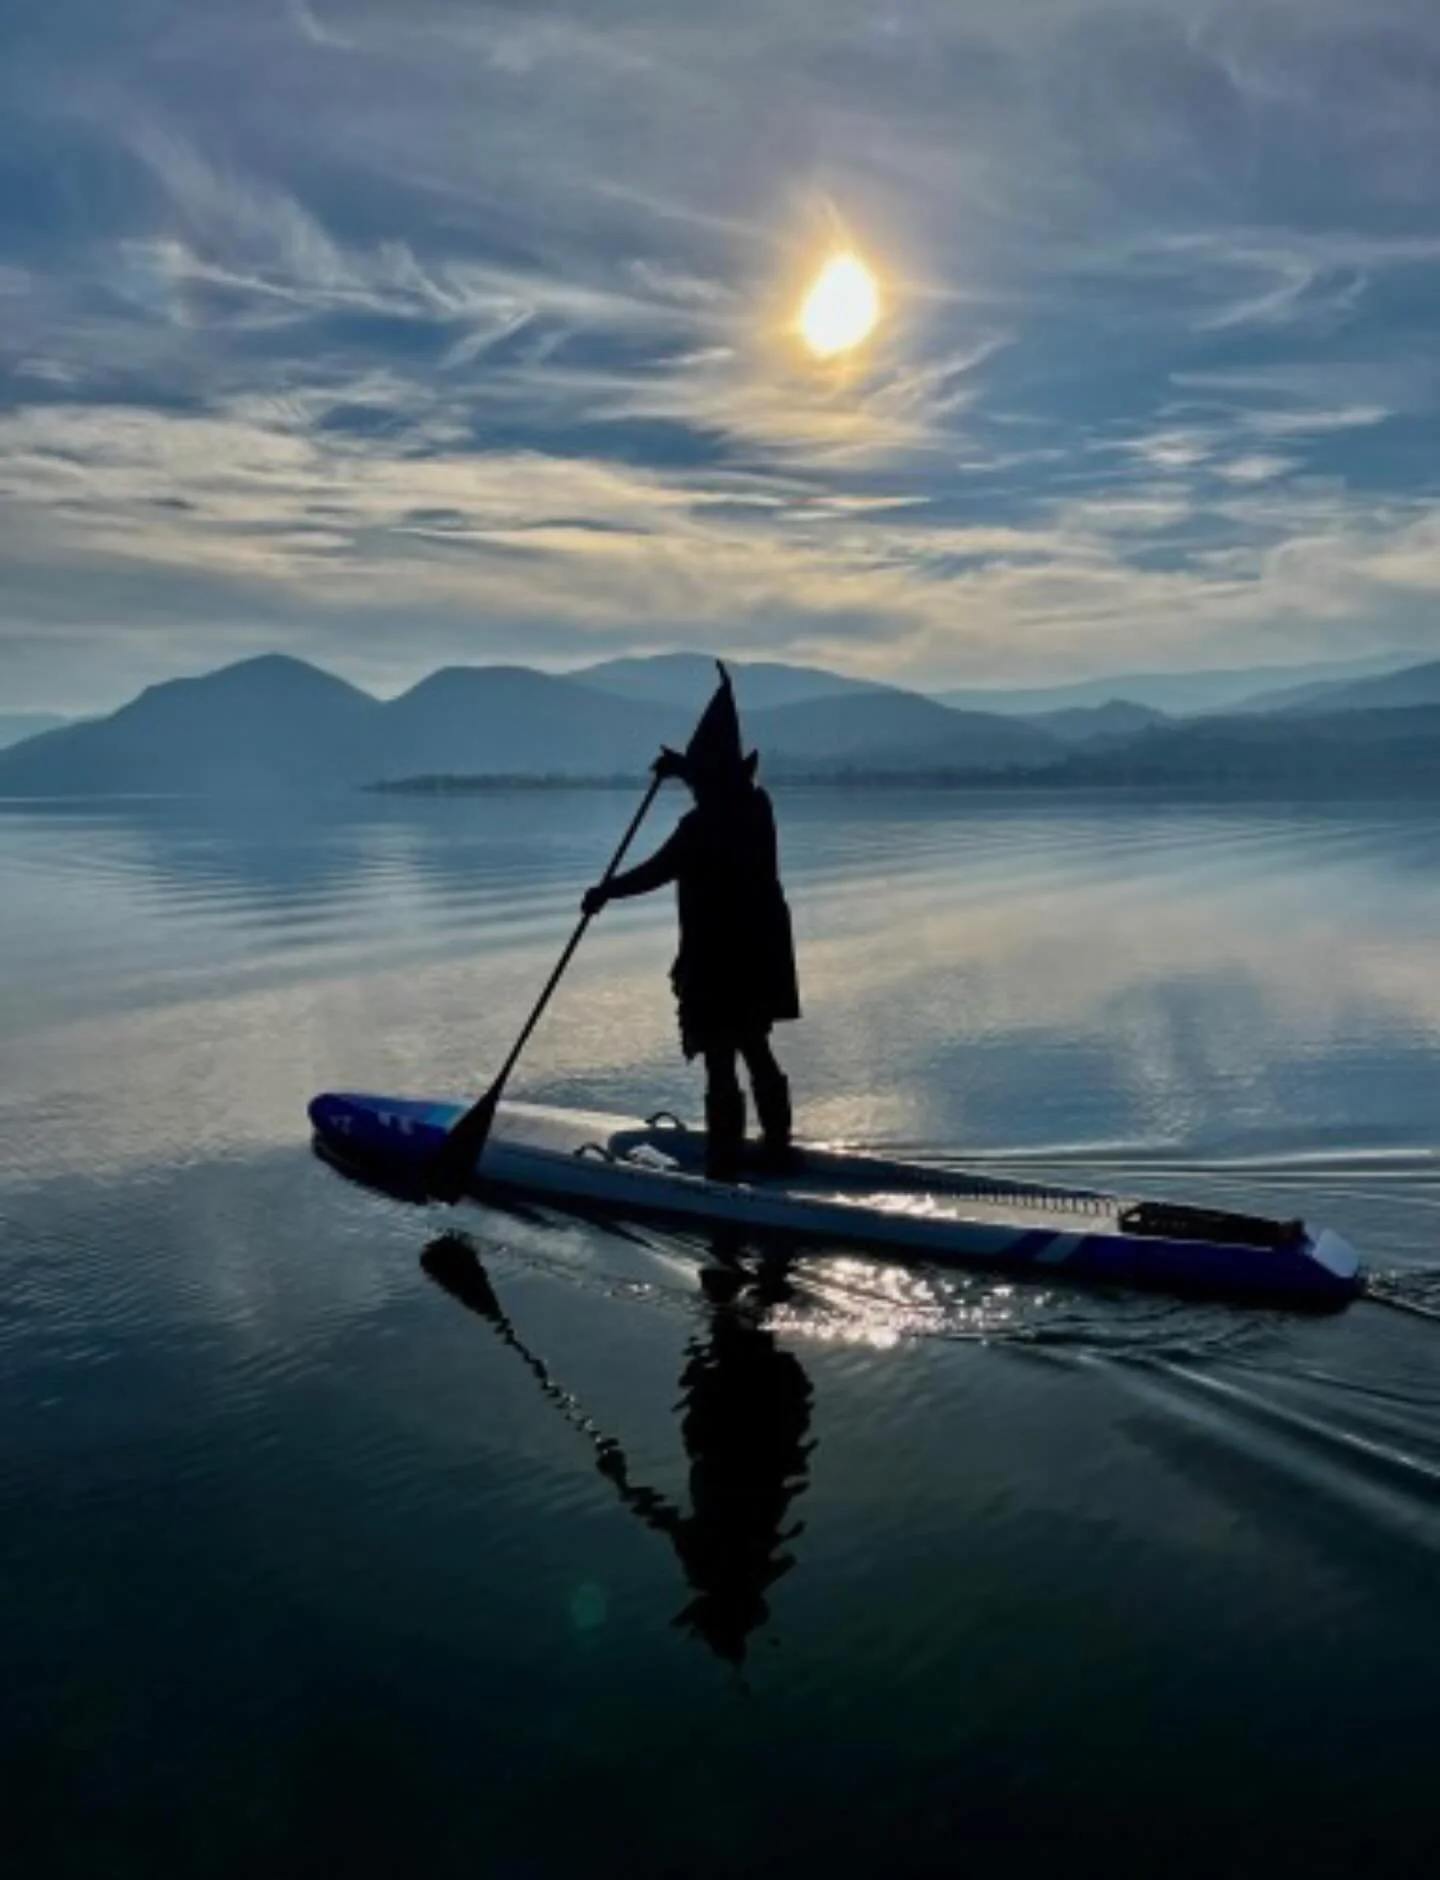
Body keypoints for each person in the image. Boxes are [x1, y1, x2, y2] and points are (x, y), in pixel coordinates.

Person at [581, 662, 801, 1182]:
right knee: (756, 1047)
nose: (693, 787)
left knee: (721, 1058)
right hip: (758, 956)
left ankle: (724, 1165)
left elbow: (657, 871)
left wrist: (604, 892)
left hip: (719, 960)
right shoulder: (756, 806)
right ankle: (776, 1150)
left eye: (698, 779)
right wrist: (682, 766)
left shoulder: (702, 826)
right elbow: (719, 781)